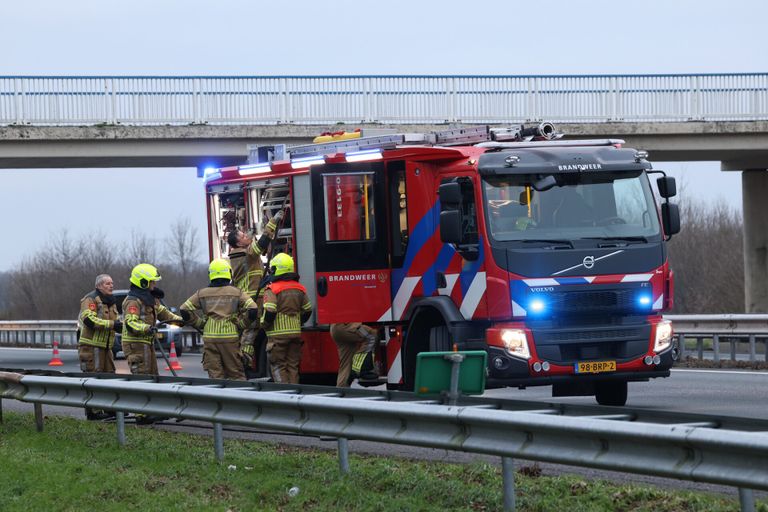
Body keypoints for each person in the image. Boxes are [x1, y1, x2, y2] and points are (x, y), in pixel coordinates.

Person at [180, 259, 259, 380]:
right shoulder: (236, 292)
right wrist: (241, 324)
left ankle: (218, 398)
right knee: (236, 374)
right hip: (230, 338)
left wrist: (201, 324)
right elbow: (253, 309)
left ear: (210, 274)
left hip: (210, 338)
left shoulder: (202, 293)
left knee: (215, 375)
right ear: (228, 273)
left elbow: (184, 309)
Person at [227, 209, 284, 371]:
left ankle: (242, 363)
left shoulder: (239, 254)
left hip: (248, 300)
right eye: (243, 236)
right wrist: (272, 222)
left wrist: (253, 234)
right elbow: (261, 245)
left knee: (249, 334)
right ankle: (243, 363)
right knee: (250, 334)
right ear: (238, 244)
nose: (246, 236)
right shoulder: (246, 254)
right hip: (252, 301)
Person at [122, 263, 183, 376]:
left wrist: (181, 321)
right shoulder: (133, 301)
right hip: (136, 346)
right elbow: (131, 323)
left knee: (153, 375)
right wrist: (147, 328)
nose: (154, 284)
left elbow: (164, 313)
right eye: (152, 281)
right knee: (143, 376)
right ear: (143, 282)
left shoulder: (149, 299)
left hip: (146, 343)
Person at [261, 253, 312, 384]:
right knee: (293, 366)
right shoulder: (299, 288)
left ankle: (282, 394)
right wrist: (298, 322)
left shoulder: (272, 289)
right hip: (295, 334)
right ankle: (294, 394)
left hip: (277, 335)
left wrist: (264, 325)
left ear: (277, 269)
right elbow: (308, 309)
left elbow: (270, 311)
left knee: (278, 365)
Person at [77, 273, 121, 420]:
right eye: (107, 283)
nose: (111, 285)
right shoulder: (90, 299)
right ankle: (93, 411)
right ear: (98, 286)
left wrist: (122, 326)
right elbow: (89, 319)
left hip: (106, 347)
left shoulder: (111, 301)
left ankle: (109, 409)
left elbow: (117, 320)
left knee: (110, 377)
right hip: (91, 347)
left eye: (112, 283)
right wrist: (112, 325)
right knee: (94, 377)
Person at [330, 323, 379, 388]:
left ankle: (342, 391)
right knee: (371, 336)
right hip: (346, 325)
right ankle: (361, 369)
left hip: (335, 328)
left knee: (346, 363)